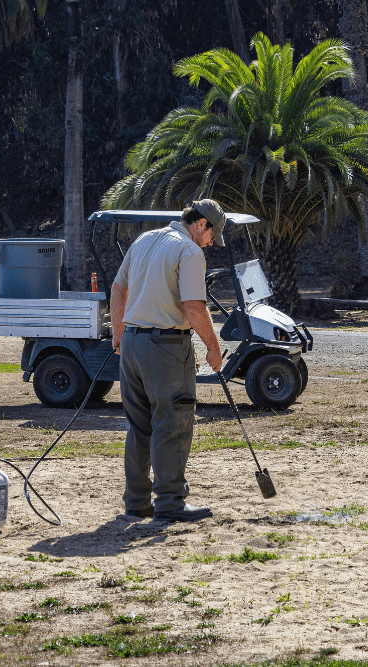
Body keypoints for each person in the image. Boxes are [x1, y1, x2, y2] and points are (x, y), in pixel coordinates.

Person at [110, 200, 226, 522]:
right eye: (213, 234)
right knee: (173, 424)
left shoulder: (144, 240)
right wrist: (214, 348)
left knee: (138, 426)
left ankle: (136, 502)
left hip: (132, 344)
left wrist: (119, 334)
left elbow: (118, 289)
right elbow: (193, 308)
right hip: (167, 346)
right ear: (200, 224)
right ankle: (171, 503)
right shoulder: (189, 252)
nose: (212, 242)